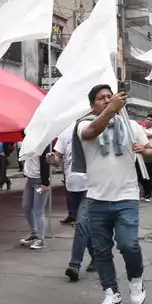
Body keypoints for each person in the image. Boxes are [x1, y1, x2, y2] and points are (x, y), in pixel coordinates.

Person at [72, 84, 152, 304]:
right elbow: (90, 133)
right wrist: (110, 110)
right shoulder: (84, 124)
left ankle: (136, 280)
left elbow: (150, 152)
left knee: (128, 244)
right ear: (92, 105)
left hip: (126, 196)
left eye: (110, 97)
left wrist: (143, 150)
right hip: (97, 198)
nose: (107, 100)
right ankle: (111, 293)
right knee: (101, 250)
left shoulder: (131, 125)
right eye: (101, 98)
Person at [48, 120, 96, 281]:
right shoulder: (64, 132)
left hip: (89, 185)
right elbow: (58, 158)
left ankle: (74, 265)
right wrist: (52, 158)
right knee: (84, 226)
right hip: (71, 186)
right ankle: (97, 257)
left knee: (81, 224)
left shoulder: (90, 126)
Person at [19, 141, 52, 250]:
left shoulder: (43, 143)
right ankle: (34, 232)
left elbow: (45, 163)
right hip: (30, 179)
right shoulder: (28, 141)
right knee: (26, 206)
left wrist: (45, 183)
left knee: (39, 210)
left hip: (39, 180)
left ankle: (41, 239)